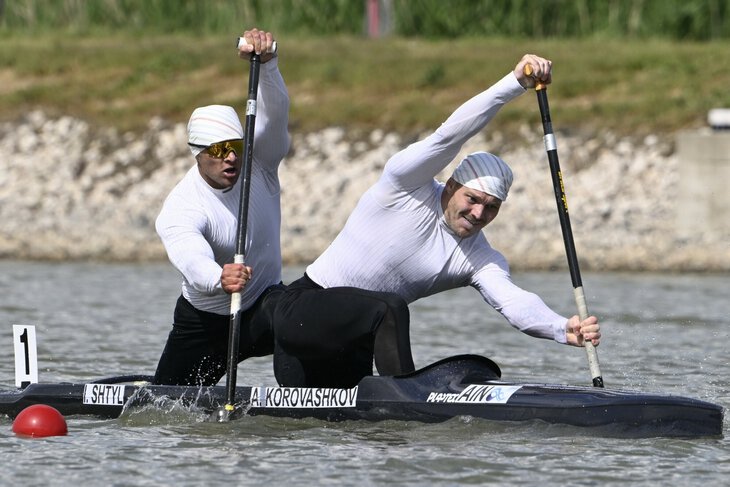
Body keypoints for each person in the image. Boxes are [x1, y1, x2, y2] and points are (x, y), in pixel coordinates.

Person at [272, 53, 601, 388]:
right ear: (452, 185)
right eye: (472, 200)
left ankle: (397, 419)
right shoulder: (405, 184)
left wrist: (562, 328)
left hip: (353, 344)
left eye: (491, 208)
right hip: (300, 315)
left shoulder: (478, 258)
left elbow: (513, 301)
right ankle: (408, 403)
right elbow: (450, 136)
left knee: (364, 436)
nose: (478, 215)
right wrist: (515, 83)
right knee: (390, 308)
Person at [152, 28, 290, 386]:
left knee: (300, 317)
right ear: (197, 153)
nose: (230, 157)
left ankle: (318, 395)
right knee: (166, 400)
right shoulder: (181, 207)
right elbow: (190, 259)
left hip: (263, 305)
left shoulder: (259, 164)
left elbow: (275, 118)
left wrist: (269, 64)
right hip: (204, 322)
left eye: (235, 146)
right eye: (217, 150)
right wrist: (218, 277)